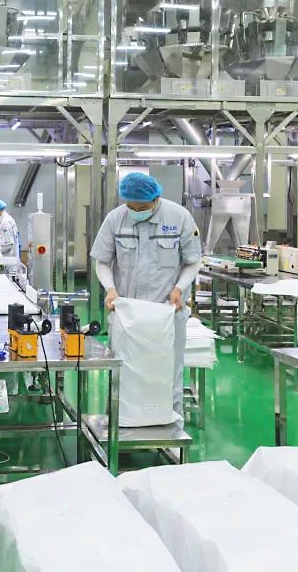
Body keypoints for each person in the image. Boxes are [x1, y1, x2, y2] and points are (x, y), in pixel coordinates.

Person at [90, 172, 202, 418]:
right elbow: (102, 262)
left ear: (156, 198)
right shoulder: (115, 219)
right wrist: (110, 289)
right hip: (128, 316)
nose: (136, 211)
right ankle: (122, 423)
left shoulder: (179, 217)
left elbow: (193, 262)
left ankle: (169, 425)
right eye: (131, 206)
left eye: (142, 207)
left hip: (167, 315)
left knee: (168, 375)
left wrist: (179, 288)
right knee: (123, 374)